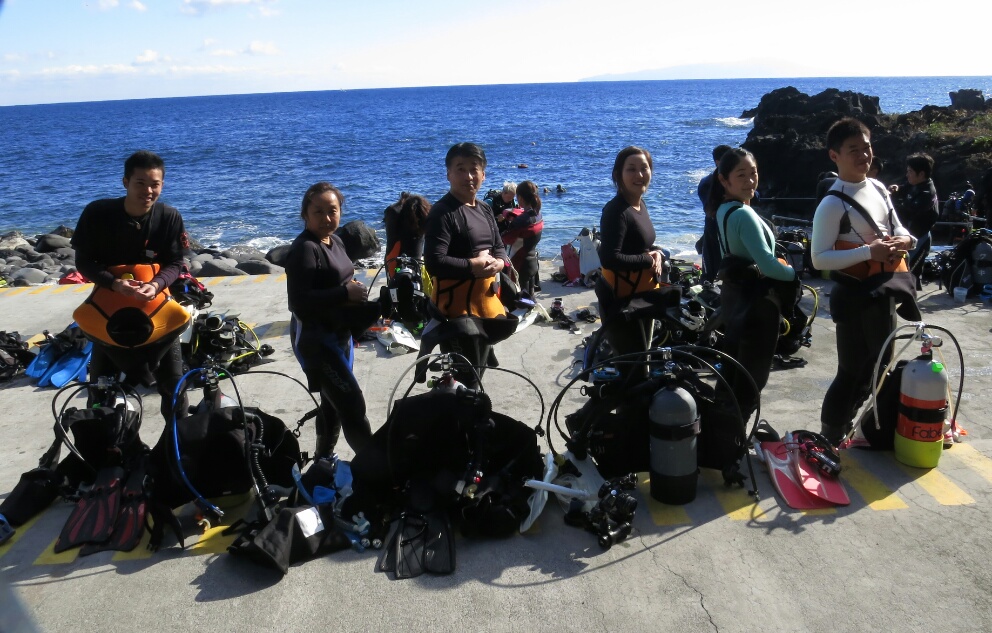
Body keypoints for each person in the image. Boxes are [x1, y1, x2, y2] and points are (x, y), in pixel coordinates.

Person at [811, 118, 919, 445]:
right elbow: (819, 259)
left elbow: (899, 228)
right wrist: (868, 251)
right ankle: (830, 435)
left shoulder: (879, 188)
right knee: (851, 370)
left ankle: (849, 428)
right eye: (853, 150)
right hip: (854, 294)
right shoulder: (832, 203)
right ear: (835, 156)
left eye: (867, 148)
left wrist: (907, 241)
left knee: (880, 366)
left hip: (883, 291)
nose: (863, 155)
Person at [72, 150, 189, 423]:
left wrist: (156, 284)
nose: (148, 191)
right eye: (140, 183)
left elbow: (176, 263)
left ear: (162, 185)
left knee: (174, 390)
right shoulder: (98, 214)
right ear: (125, 182)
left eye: (155, 184)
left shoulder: (169, 217)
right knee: (100, 393)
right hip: (109, 314)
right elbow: (84, 262)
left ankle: (176, 443)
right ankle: (106, 442)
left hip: (158, 312)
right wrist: (114, 283)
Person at [286, 182, 380, 457]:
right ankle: (375, 468)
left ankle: (323, 459)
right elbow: (298, 301)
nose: (326, 218)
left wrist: (352, 290)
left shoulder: (335, 240)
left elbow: (338, 278)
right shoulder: (305, 248)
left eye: (332, 211)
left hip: (340, 335)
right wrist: (345, 292)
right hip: (316, 339)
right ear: (305, 214)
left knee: (332, 404)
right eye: (318, 212)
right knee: (352, 406)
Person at [706, 148, 797, 418]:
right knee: (752, 381)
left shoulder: (724, 209)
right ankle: (734, 435)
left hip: (736, 300)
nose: (750, 181)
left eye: (753, 173)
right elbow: (767, 264)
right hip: (757, 305)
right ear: (724, 180)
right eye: (741, 175)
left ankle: (724, 431)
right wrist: (793, 275)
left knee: (734, 372)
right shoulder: (743, 214)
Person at [423, 143, 513, 389]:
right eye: (460, 169)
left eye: (474, 169)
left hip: (485, 310)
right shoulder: (442, 213)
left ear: (484, 174)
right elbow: (434, 262)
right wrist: (473, 265)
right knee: (467, 386)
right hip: (456, 316)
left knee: (476, 380)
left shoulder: (484, 209)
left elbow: (499, 246)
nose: (468, 176)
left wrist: (499, 262)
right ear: (448, 174)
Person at [596, 146, 665, 365]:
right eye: (631, 169)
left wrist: (657, 252)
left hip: (641, 296)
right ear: (618, 175)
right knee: (632, 370)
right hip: (621, 303)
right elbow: (610, 259)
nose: (639, 175)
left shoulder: (639, 204)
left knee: (643, 364)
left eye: (644, 168)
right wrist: (648, 259)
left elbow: (640, 243)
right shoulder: (616, 211)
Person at [892, 153, 939, 283]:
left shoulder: (927, 193)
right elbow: (904, 188)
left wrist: (891, 206)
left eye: (910, 172)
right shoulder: (915, 184)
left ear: (921, 174)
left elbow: (908, 211)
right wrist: (897, 189)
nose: (907, 175)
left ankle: (909, 294)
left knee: (908, 274)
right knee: (900, 272)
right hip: (908, 236)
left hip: (919, 238)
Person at [500, 180, 544, 297]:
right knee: (530, 299)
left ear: (520, 197)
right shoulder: (538, 214)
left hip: (519, 265)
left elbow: (506, 239)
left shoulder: (521, 221)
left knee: (518, 301)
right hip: (532, 261)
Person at [696, 145, 733, 282]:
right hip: (714, 228)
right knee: (712, 271)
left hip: (729, 228)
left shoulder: (733, 181)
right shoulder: (707, 183)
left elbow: (756, 196)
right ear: (718, 162)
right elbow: (710, 208)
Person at [384, 193, 431, 279]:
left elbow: (392, 246)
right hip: (416, 264)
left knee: (398, 281)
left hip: (397, 265)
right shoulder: (422, 211)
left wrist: (392, 274)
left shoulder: (393, 212)